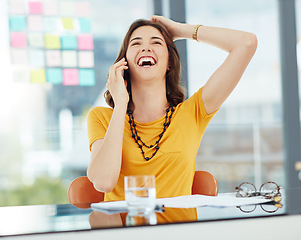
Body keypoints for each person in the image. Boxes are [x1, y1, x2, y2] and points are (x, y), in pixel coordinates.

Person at [87, 15, 257, 202]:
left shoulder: (194, 112)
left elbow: (246, 43)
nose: (145, 47)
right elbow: (103, 182)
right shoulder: (101, 117)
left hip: (178, 230)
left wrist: (181, 30)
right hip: (125, 230)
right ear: (123, 64)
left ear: (169, 63)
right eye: (136, 43)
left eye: (157, 42)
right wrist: (120, 105)